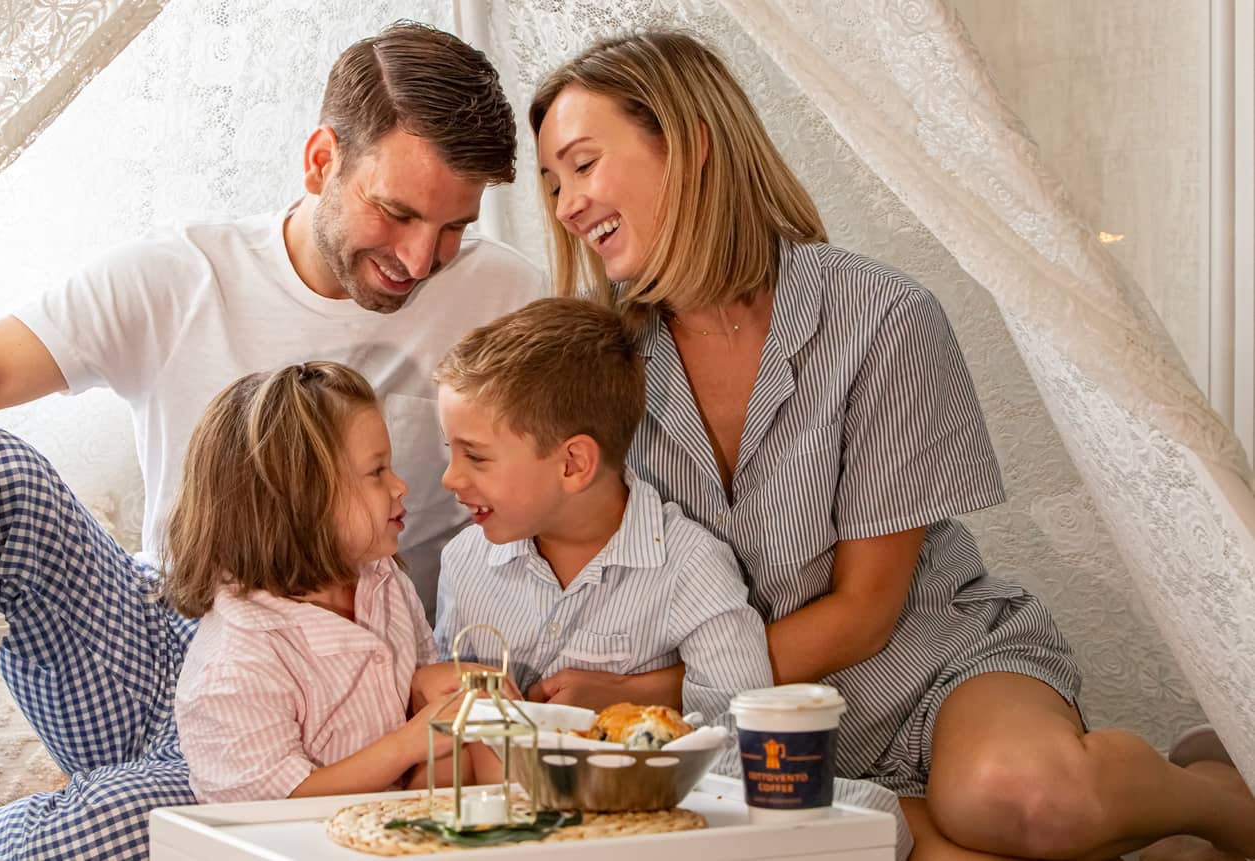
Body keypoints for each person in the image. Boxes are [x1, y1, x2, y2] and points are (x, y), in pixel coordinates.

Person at [0, 21, 544, 861]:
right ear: (321, 160)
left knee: (120, 829)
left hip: (338, 695)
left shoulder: (508, 296)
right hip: (163, 644)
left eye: (452, 228)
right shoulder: (179, 277)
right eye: (396, 212)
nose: (419, 258)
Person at [529, 29, 1255, 861]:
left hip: (926, 671)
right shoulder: (599, 371)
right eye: (551, 182)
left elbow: (867, 613)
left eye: (582, 165)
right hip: (754, 732)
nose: (565, 205)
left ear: (691, 145)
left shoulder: (882, 317)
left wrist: (644, 693)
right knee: (935, 844)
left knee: (1027, 798)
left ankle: (1215, 790)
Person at [429, 297, 773, 732]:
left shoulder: (692, 569)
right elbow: (446, 728)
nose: (450, 478)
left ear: (573, 464)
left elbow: (740, 733)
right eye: (450, 449)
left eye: (475, 458)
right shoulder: (464, 562)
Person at [166, 363, 493, 802]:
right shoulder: (235, 663)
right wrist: (408, 745)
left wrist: (432, 686)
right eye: (377, 472)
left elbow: (412, 701)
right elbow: (273, 808)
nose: (401, 486)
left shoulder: (381, 577)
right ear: (301, 501)